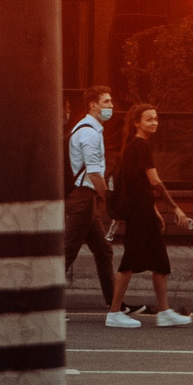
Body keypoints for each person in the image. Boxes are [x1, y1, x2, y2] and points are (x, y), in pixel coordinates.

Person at [114, 103, 193, 328]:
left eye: (156, 119)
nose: (154, 123)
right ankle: (114, 313)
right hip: (139, 213)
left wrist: (155, 211)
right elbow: (154, 181)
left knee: (160, 261)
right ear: (137, 123)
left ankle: (164, 312)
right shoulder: (140, 145)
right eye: (149, 119)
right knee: (129, 260)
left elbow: (140, 185)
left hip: (145, 210)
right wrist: (175, 208)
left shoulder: (136, 145)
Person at [64, 86, 128, 326]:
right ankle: (46, 304)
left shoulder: (88, 129)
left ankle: (114, 304)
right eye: (107, 102)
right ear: (93, 105)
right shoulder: (89, 133)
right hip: (83, 198)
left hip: (86, 197)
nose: (111, 106)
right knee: (67, 251)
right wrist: (108, 199)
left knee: (103, 250)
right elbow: (93, 173)